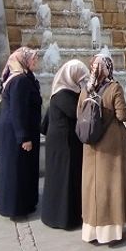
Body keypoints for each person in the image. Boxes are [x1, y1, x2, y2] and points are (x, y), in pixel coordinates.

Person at [80, 54, 126, 245]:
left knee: (92, 187)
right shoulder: (114, 88)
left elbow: (80, 113)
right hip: (111, 145)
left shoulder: (86, 89)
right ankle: (111, 234)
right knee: (111, 186)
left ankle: (91, 232)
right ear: (108, 68)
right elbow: (122, 115)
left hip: (90, 145)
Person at [41, 59, 89, 230]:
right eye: (81, 77)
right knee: (64, 180)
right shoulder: (64, 94)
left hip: (61, 143)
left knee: (61, 179)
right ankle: (64, 218)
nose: (84, 81)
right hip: (64, 146)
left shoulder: (61, 91)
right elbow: (79, 114)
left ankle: (58, 215)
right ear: (72, 76)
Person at [0, 47, 42, 220]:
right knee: (16, 169)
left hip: (17, 129)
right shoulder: (20, 80)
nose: (35, 62)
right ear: (23, 60)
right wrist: (23, 137)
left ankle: (27, 203)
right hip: (17, 131)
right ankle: (16, 208)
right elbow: (18, 110)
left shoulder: (23, 76)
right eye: (33, 59)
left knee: (23, 168)